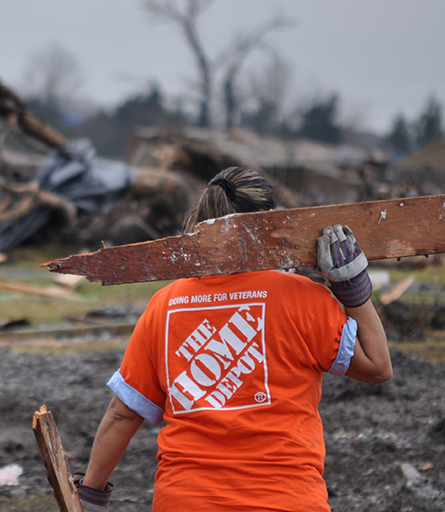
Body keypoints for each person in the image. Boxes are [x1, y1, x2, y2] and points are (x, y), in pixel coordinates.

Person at [73, 166, 392, 511]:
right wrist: (354, 291)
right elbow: (377, 367)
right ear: (270, 221)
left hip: (186, 500)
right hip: (286, 500)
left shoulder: (164, 305)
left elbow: (123, 414)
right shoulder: (303, 299)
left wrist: (91, 492)